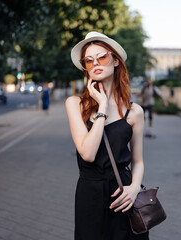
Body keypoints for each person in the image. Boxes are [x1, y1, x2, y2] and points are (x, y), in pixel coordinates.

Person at [65, 31, 149, 240]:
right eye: (89, 60)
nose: (96, 63)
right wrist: (102, 106)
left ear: (115, 61)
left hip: (124, 194)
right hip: (90, 196)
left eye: (102, 57)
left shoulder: (134, 111)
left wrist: (134, 188)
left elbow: (138, 161)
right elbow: (88, 153)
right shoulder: (76, 104)